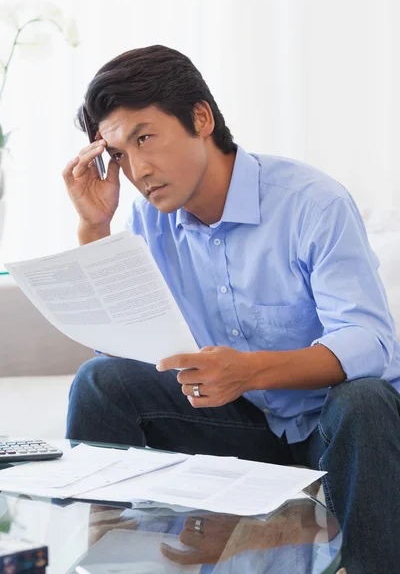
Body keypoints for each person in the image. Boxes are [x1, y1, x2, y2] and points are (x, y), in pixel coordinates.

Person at [64, 44, 400, 574]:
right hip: (240, 427)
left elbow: (371, 342)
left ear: (201, 118)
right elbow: (121, 347)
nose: (139, 168)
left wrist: (249, 371)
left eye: (146, 137)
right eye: (122, 154)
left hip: (332, 432)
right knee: (101, 381)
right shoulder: (151, 220)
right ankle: (113, 566)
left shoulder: (312, 203)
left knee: (365, 400)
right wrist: (95, 229)